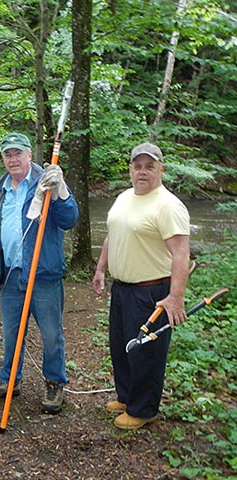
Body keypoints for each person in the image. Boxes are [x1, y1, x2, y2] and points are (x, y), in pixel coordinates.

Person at [0, 133, 79, 414]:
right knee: (11, 333)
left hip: (43, 275)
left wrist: (60, 191)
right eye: (7, 155)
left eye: (17, 153)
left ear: (29, 155)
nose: (13, 159)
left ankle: (55, 382)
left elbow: (69, 220)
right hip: (10, 276)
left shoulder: (46, 182)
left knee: (51, 334)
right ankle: (9, 379)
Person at [92, 142, 190, 430]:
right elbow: (113, 235)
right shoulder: (123, 198)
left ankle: (144, 409)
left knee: (146, 353)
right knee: (122, 347)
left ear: (161, 169)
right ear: (130, 169)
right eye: (138, 166)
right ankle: (126, 397)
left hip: (151, 290)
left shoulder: (168, 205)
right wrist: (100, 269)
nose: (143, 171)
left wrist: (175, 297)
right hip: (122, 288)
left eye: (150, 166)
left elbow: (181, 254)